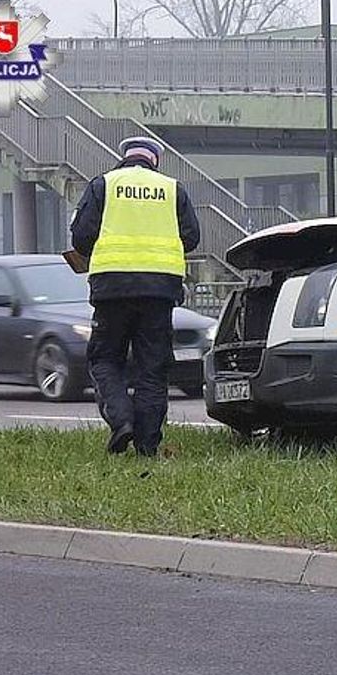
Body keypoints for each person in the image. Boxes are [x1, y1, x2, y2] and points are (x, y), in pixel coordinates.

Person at [70, 136, 200, 456]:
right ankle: (147, 446)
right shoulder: (172, 189)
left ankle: (121, 421)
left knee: (105, 360)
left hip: (112, 291)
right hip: (159, 294)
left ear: (124, 156)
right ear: (155, 160)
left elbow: (82, 237)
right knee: (152, 369)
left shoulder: (103, 185)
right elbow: (191, 238)